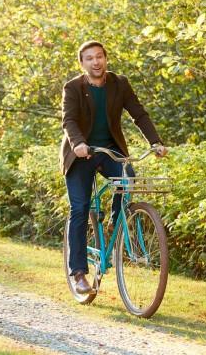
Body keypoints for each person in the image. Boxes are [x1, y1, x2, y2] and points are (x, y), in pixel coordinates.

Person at [60, 41, 168, 294]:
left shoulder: (120, 83)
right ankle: (78, 273)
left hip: (110, 151)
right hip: (81, 154)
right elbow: (69, 120)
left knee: (127, 179)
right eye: (89, 58)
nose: (95, 62)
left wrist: (155, 142)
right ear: (82, 64)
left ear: (106, 59)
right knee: (80, 208)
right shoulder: (73, 87)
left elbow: (139, 114)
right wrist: (78, 143)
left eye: (99, 57)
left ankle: (115, 219)